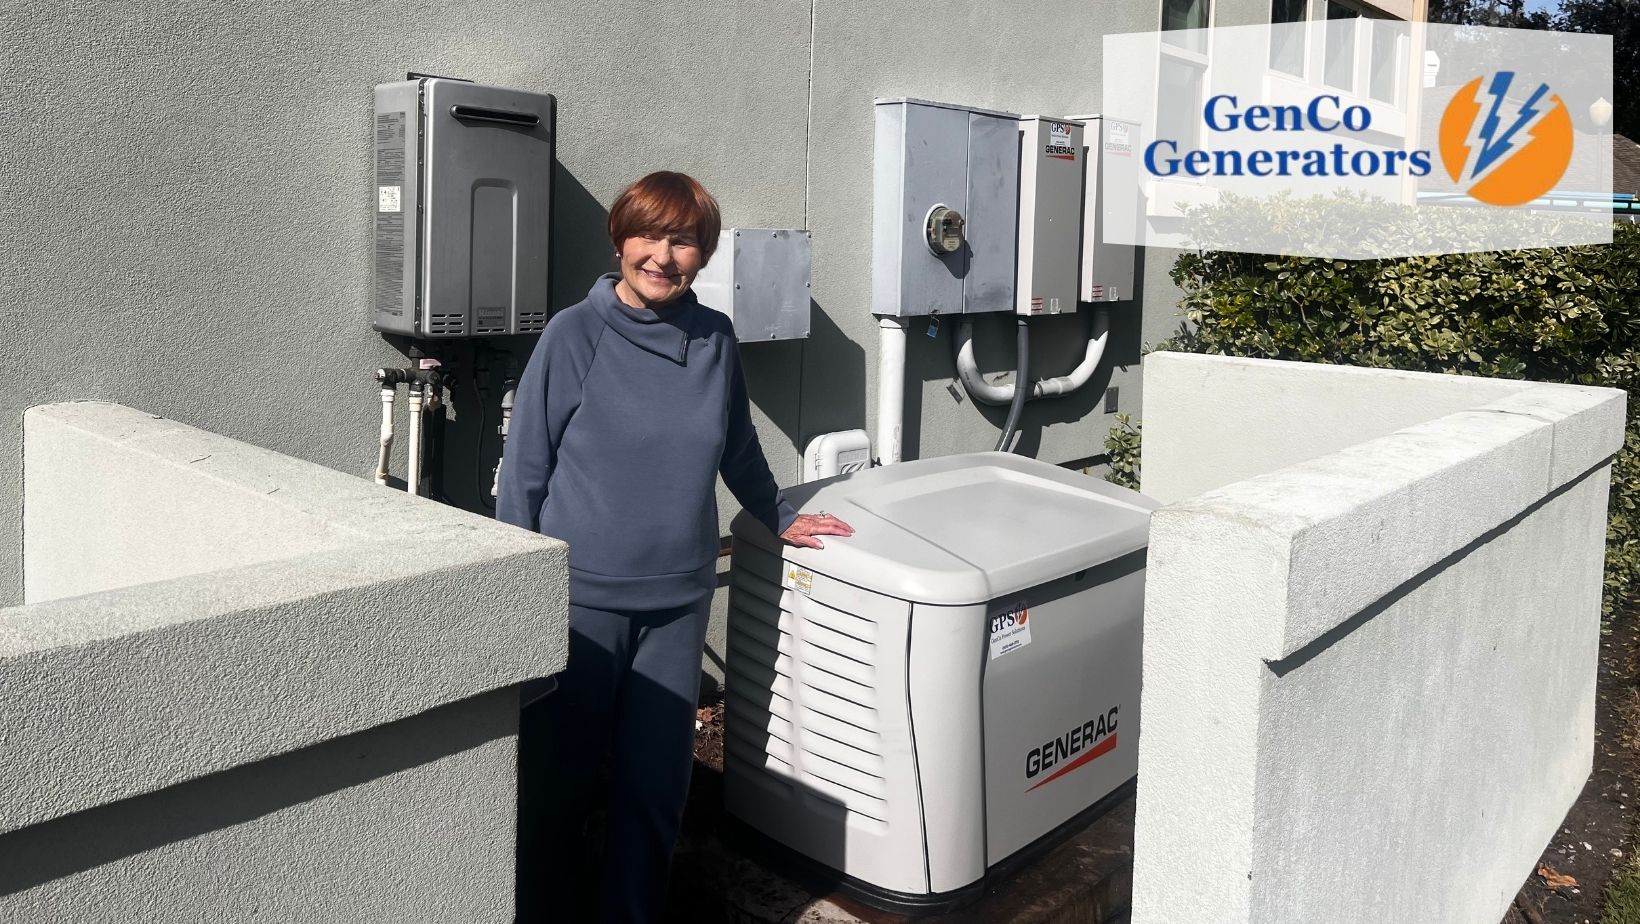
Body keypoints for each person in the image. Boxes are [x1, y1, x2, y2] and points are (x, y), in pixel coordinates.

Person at [498, 170, 852, 922]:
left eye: (684, 241)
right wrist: (515, 600)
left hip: (677, 604)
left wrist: (779, 514)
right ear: (620, 239)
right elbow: (524, 473)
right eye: (649, 235)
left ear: (703, 253)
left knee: (655, 793)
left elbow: (739, 448)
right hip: (579, 603)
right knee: (556, 794)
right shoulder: (574, 335)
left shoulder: (714, 339)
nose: (663, 256)